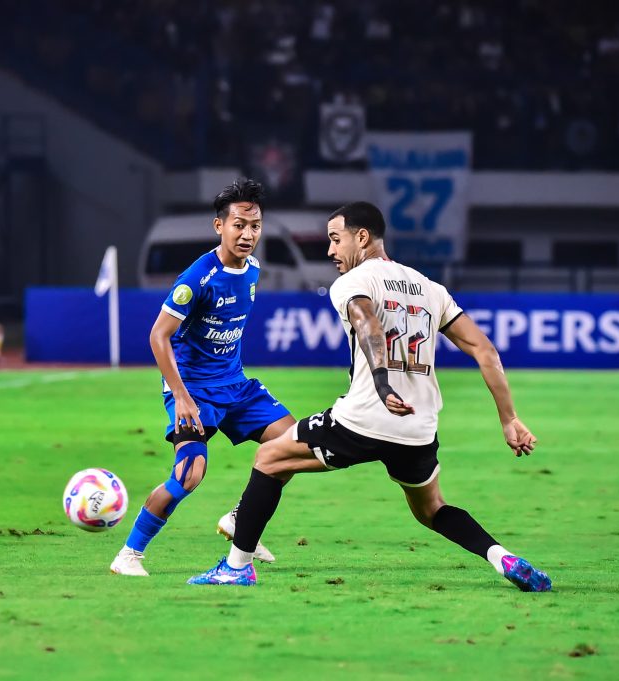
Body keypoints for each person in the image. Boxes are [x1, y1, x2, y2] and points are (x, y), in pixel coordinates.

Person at [188, 201, 552, 592]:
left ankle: (237, 567)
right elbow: (485, 350)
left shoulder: (354, 281)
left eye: (335, 239)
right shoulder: (430, 289)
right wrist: (509, 418)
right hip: (418, 428)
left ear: (361, 237)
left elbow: (367, 321)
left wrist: (382, 384)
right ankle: (501, 557)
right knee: (432, 509)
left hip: (364, 417)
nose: (330, 250)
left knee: (269, 457)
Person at [110, 178, 297, 576]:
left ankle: (241, 520)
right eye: (238, 225)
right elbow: (158, 335)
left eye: (255, 226)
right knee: (189, 473)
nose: (247, 234)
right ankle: (129, 554)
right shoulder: (197, 279)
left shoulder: (253, 269)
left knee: (294, 443)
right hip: (193, 390)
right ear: (219, 226)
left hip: (235, 384)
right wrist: (180, 396)